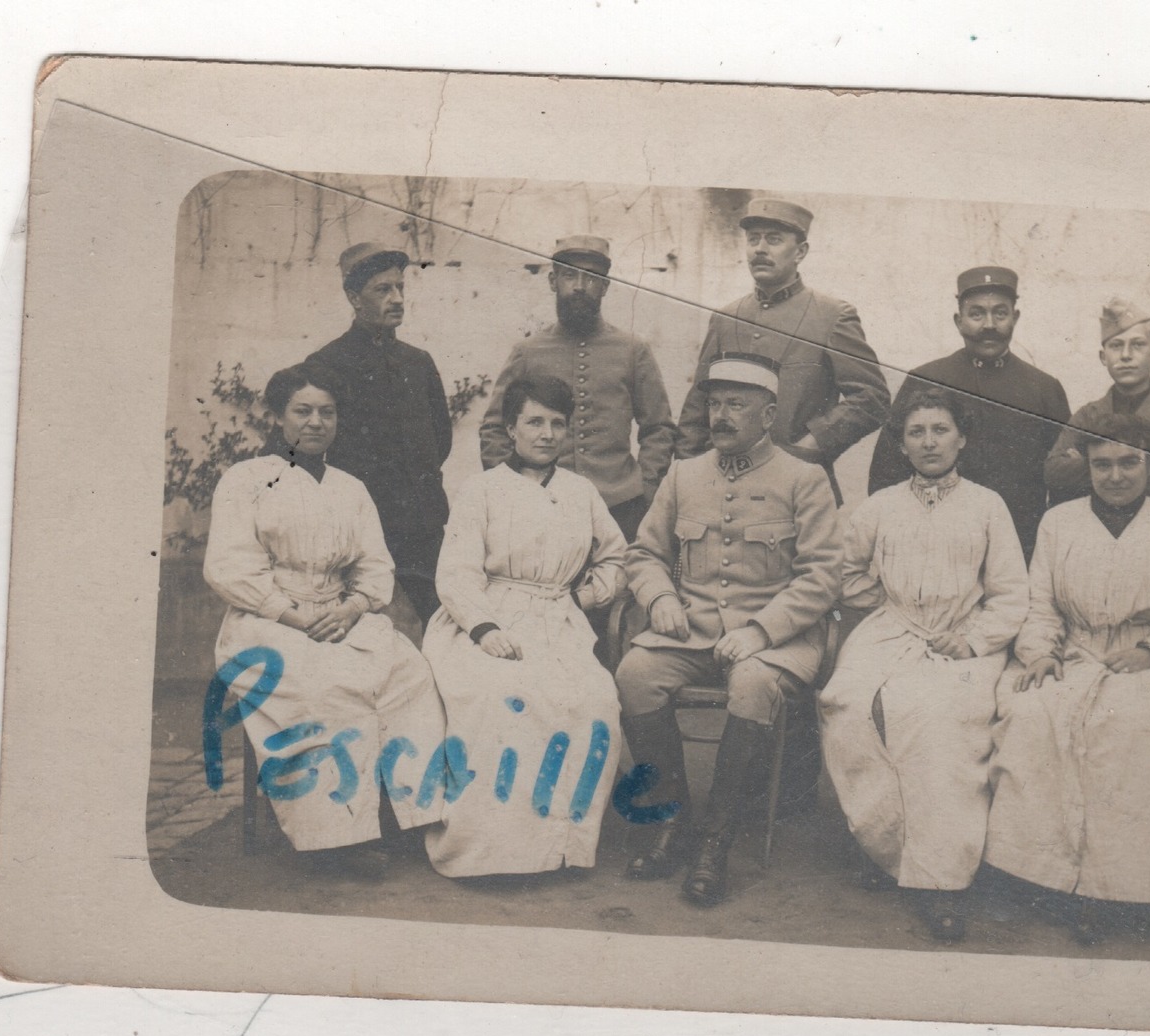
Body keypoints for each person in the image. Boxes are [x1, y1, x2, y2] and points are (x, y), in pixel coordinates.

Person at [203, 363, 448, 878]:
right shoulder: (246, 479)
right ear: (278, 416)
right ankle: (334, 838)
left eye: (327, 412)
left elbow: (376, 565)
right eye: (303, 411)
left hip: (341, 613)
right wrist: (294, 617)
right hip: (267, 621)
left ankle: (407, 815)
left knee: (409, 676)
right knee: (326, 687)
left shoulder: (350, 488)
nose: (315, 422)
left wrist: (353, 608)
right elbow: (229, 567)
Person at [985, 413, 1150, 944]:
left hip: (1145, 660)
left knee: (1125, 732)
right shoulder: (1059, 522)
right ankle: (1040, 876)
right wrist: (1041, 653)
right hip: (1075, 654)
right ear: (1086, 466)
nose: (1116, 476)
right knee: (1031, 715)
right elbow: (1041, 603)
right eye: (1102, 464)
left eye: (1129, 462)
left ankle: (1123, 888)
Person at [616, 354, 841, 907]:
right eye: (715, 403)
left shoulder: (804, 480)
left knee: (752, 685)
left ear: (768, 415)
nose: (721, 415)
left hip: (777, 640)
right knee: (635, 673)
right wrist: (660, 596)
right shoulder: (683, 474)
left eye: (736, 404)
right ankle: (674, 822)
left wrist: (763, 632)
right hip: (690, 632)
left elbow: (822, 576)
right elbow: (643, 553)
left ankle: (716, 841)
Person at [819, 387, 1029, 942]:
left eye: (940, 430)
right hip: (893, 629)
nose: (929, 442)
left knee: (937, 720)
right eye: (917, 432)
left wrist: (974, 637)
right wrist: (886, 605)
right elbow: (845, 572)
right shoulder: (881, 505)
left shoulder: (987, 505)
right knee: (849, 705)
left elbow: (1010, 594)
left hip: (964, 639)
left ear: (961, 438)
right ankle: (884, 845)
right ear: (902, 444)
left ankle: (941, 881)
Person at [419, 375, 628, 878]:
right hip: (486, 618)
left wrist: (585, 595)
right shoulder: (483, 489)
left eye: (558, 423)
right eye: (534, 421)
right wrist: (484, 628)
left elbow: (617, 557)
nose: (547, 433)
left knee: (594, 700)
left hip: (559, 621)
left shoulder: (581, 492)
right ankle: (493, 851)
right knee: (501, 697)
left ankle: (562, 848)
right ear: (511, 428)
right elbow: (455, 572)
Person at [674, 197, 889, 504]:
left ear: (800, 252)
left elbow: (872, 398)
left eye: (773, 240)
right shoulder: (724, 318)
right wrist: (689, 477)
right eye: (753, 240)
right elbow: (697, 407)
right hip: (723, 491)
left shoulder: (832, 316)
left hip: (799, 490)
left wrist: (810, 445)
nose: (760, 249)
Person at [479, 235, 677, 542]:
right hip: (541, 505)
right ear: (553, 281)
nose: (580, 286)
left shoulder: (632, 350)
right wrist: (513, 490)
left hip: (620, 507)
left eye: (591, 278)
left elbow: (659, 429)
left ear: (605, 286)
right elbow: (495, 429)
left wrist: (646, 487)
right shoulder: (528, 351)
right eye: (569, 275)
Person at [867, 266, 1071, 562]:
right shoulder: (925, 379)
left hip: (1019, 549)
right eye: (976, 314)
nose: (989, 325)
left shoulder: (1044, 389)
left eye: (1000, 313)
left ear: (1015, 318)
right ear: (958, 321)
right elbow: (886, 472)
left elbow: (1064, 480)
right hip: (934, 549)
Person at [306, 241, 452, 623]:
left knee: (443, 618)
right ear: (354, 297)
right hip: (358, 524)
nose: (397, 298)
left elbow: (441, 439)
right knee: (353, 621)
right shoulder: (327, 364)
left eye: (400, 288)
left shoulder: (418, 363)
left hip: (421, 523)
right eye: (383, 290)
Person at [1044, 298, 1150, 506]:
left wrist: (1089, 463)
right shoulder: (1088, 414)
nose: (1126, 355)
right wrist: (1147, 464)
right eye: (1116, 346)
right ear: (1103, 357)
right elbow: (1054, 474)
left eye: (1138, 345)